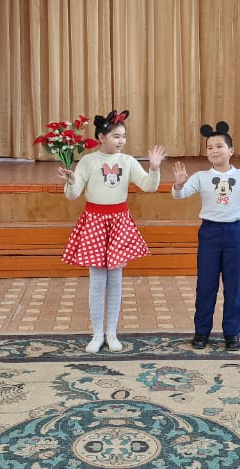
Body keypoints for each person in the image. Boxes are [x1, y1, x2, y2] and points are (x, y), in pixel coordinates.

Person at [59, 109, 165, 354]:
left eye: (123, 136)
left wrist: (155, 169)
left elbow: (149, 186)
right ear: (101, 137)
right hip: (94, 222)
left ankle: (112, 333)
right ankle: (97, 334)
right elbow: (73, 194)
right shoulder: (88, 161)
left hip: (119, 222)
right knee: (97, 280)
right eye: (116, 136)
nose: (121, 141)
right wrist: (71, 182)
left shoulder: (128, 161)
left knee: (115, 281)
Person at [171, 121, 240, 351]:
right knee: (206, 285)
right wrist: (179, 185)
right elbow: (179, 195)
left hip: (235, 233)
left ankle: (232, 333)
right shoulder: (201, 177)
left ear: (231, 150)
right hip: (209, 233)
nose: (214, 151)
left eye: (219, 146)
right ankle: (201, 332)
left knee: (234, 285)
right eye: (209, 147)